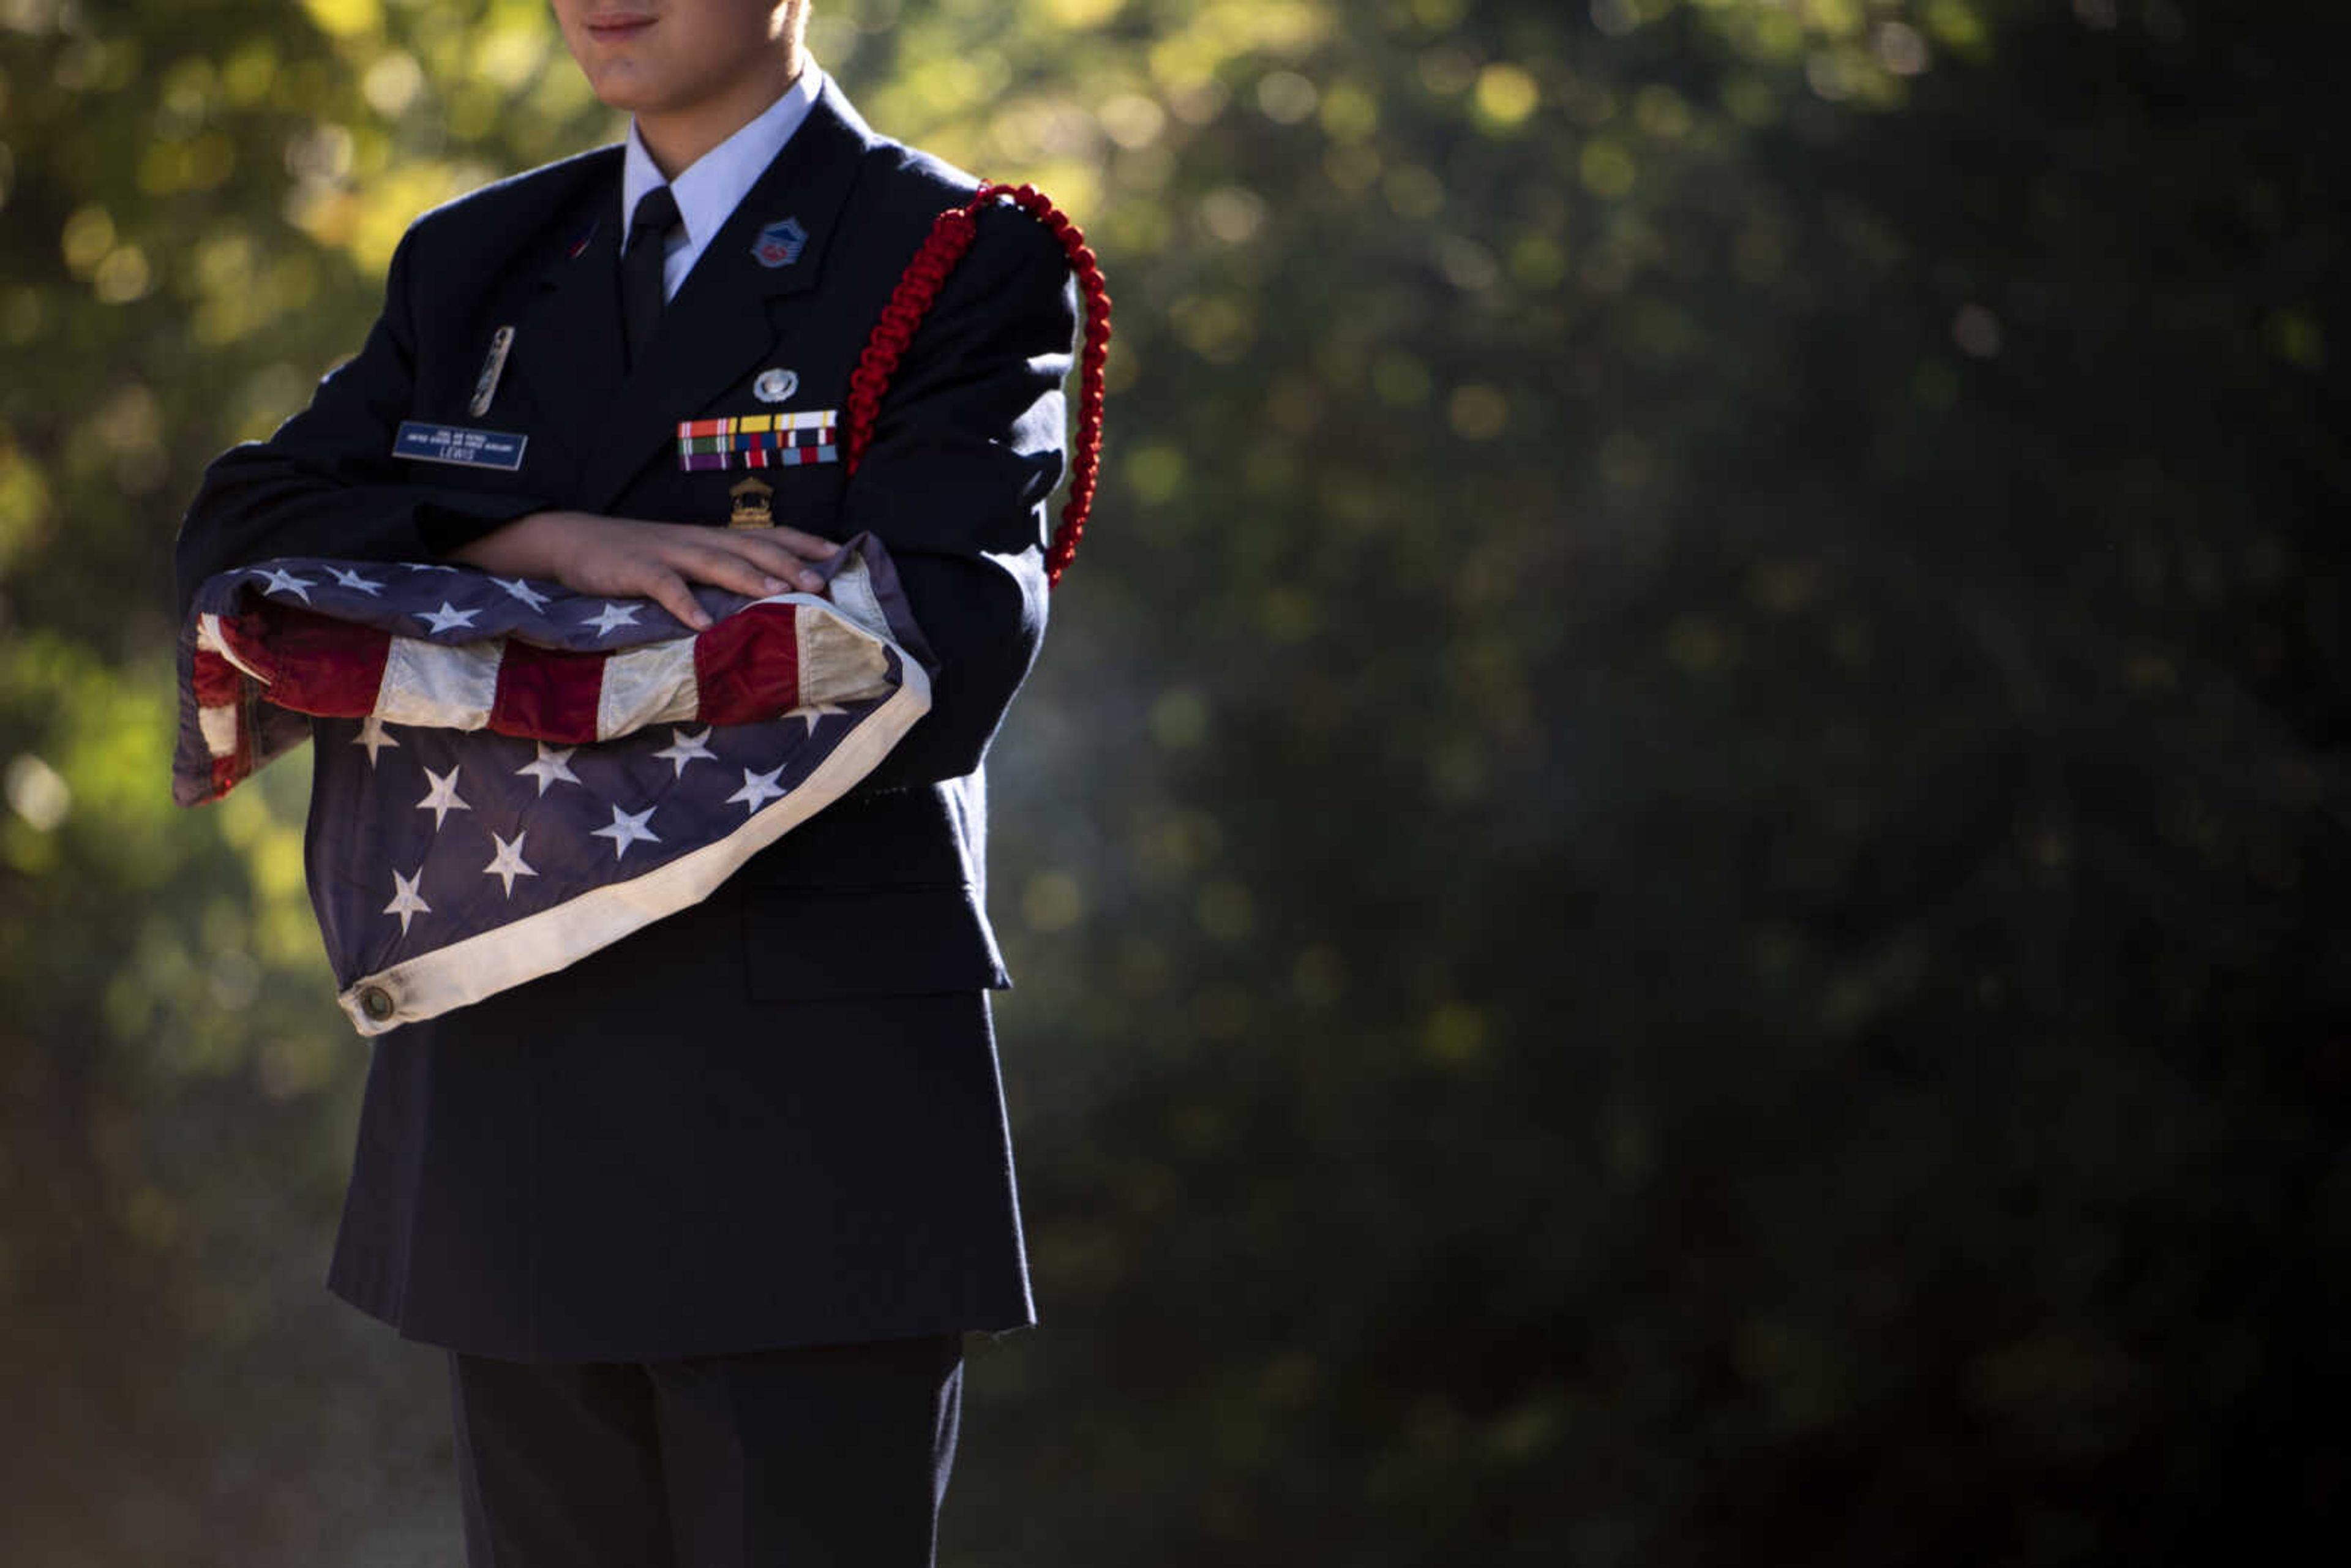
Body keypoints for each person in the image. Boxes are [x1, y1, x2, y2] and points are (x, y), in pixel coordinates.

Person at [172, 2, 1084, 1562]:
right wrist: (539, 549)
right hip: (513, 1093)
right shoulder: (478, 262)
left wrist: (455, 639)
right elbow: (247, 541)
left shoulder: (951, 257)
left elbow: (938, 651)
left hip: (805, 1131)